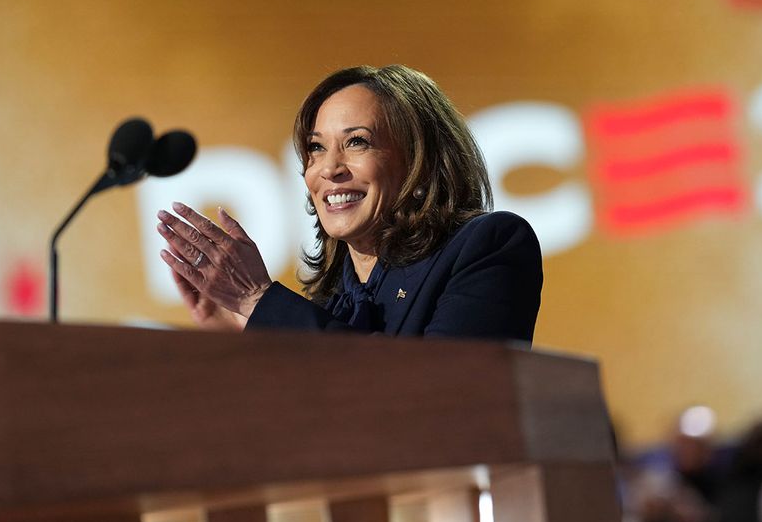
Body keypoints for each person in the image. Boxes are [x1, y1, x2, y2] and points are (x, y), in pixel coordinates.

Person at [154, 64, 542, 341]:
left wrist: (260, 302)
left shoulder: (489, 245)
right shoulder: (327, 306)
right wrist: (236, 338)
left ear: (419, 160)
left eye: (357, 141)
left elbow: (435, 397)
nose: (329, 169)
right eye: (316, 148)